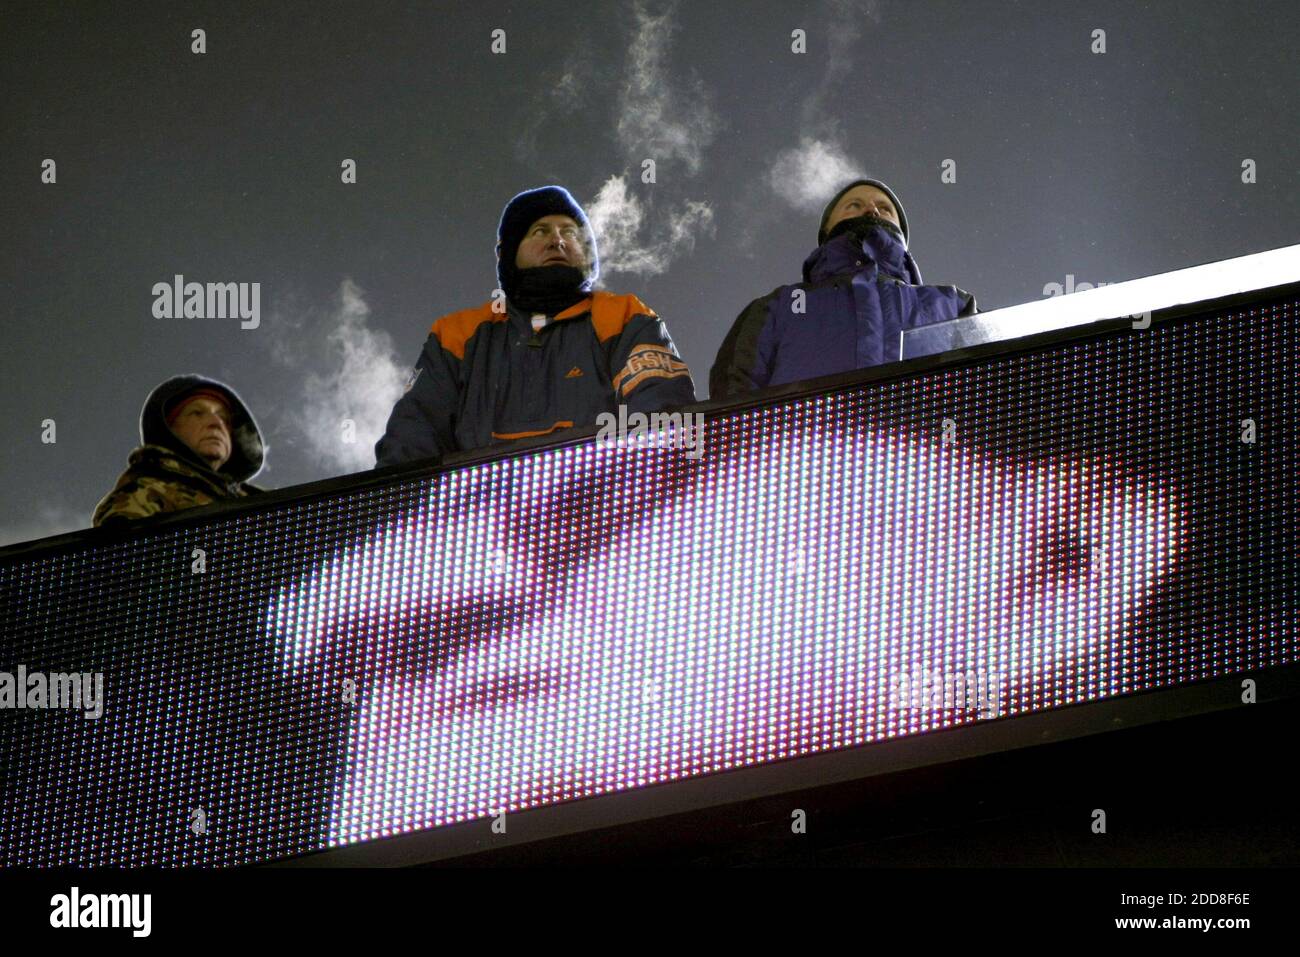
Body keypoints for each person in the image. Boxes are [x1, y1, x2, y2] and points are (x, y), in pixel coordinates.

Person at [375, 185, 696, 466]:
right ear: (509, 252)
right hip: (480, 520)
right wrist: (394, 508)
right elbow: (415, 432)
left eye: (569, 232)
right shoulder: (456, 335)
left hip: (603, 513)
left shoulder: (623, 315)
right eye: (540, 230)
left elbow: (663, 408)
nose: (557, 240)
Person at [710, 178, 977, 399]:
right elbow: (735, 387)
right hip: (806, 453)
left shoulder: (952, 304)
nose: (871, 210)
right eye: (854, 205)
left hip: (922, 453)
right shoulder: (778, 306)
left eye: (884, 208)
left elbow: (988, 383)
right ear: (826, 228)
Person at [92, 375, 265, 526]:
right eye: (197, 413)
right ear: (170, 428)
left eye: (224, 418)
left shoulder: (256, 502)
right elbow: (126, 557)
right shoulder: (145, 492)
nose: (216, 423)